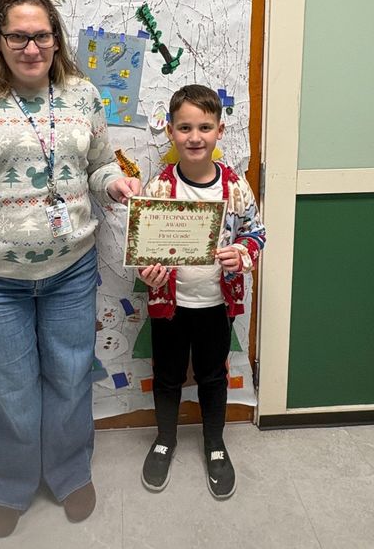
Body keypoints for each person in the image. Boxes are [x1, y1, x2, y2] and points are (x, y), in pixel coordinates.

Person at [0, 0, 140, 538]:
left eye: (42, 35)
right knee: (7, 389)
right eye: (18, 35)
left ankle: (68, 473)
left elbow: (96, 166)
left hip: (70, 271)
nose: (31, 47)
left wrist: (114, 184)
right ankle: (12, 485)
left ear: (56, 38)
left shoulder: (82, 94)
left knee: (69, 380)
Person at [136, 84, 266, 499]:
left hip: (216, 305)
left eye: (205, 127)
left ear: (219, 131)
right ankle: (165, 440)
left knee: (213, 376)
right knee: (168, 376)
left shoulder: (235, 188)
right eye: (185, 127)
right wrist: (149, 274)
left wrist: (242, 254)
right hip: (169, 307)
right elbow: (142, 252)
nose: (195, 136)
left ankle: (214, 444)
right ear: (171, 132)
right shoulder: (158, 189)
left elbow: (257, 234)